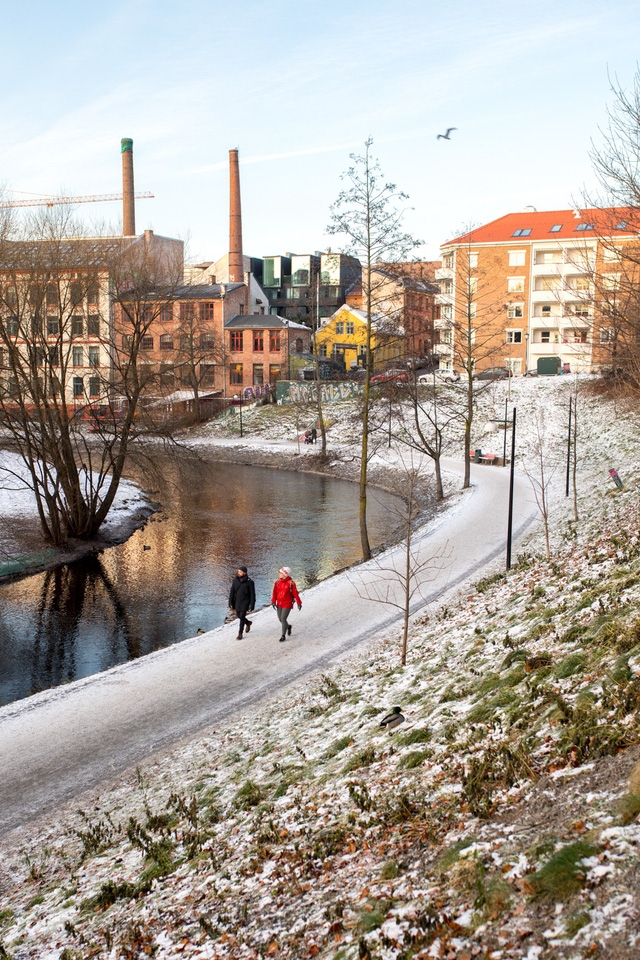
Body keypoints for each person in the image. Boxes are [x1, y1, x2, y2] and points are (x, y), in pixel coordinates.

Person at [271, 566, 302, 642]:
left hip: (287, 603)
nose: (279, 574)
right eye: (279, 572)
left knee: (283, 619)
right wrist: (273, 601)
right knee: (280, 619)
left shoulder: (291, 583)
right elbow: (274, 593)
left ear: (285, 574)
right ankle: (288, 626)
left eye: (281, 573)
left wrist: (299, 602)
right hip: (279, 603)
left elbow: (295, 594)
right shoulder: (277, 582)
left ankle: (283, 635)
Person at [228, 565, 255, 640]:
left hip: (245, 601)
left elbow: (252, 594)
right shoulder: (235, 580)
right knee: (239, 616)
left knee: (242, 617)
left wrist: (252, 605)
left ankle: (240, 634)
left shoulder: (250, 582)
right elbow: (232, 591)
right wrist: (230, 601)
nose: (238, 573)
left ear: (244, 573)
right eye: (238, 571)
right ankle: (248, 623)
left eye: (240, 572)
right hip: (237, 601)